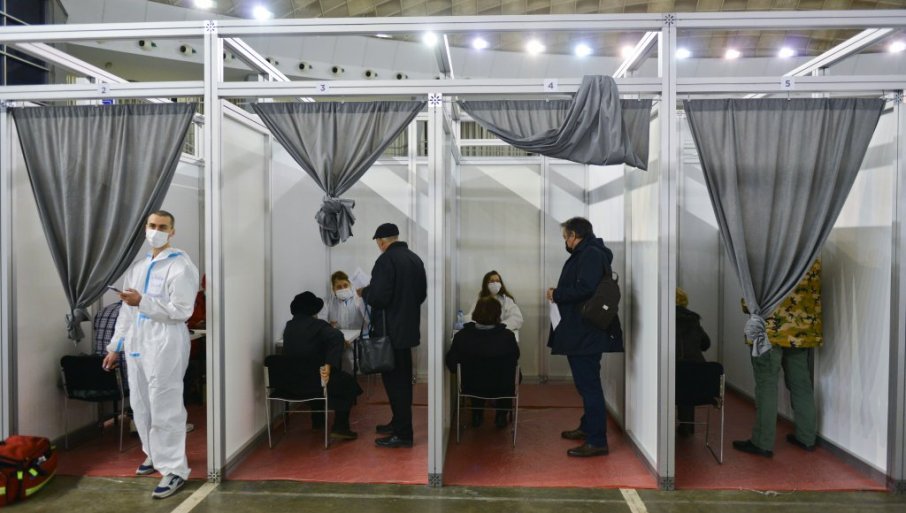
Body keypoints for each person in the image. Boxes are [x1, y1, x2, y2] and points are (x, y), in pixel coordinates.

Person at [102, 210, 199, 500]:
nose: (156, 231)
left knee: (164, 404)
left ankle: (175, 469)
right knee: (141, 403)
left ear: (172, 231)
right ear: (145, 227)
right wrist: (115, 347)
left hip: (165, 342)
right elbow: (126, 312)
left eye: (162, 227)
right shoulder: (138, 267)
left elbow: (182, 311)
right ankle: (153, 454)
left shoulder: (180, 266)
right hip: (137, 343)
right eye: (152, 225)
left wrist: (142, 301)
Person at [546, 216, 622, 458]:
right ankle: (588, 427)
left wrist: (556, 294)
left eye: (565, 237)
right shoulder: (589, 253)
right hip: (584, 331)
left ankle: (597, 441)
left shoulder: (590, 254)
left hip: (585, 332)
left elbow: (585, 288)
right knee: (585, 384)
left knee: (589, 386)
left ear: (573, 235)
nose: (565, 241)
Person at [733, 259, 822, 457]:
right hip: (800, 332)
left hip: (768, 332)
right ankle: (807, 437)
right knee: (801, 384)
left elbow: (749, 302)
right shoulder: (811, 257)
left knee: (766, 385)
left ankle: (762, 442)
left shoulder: (768, 259)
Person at [357, 222, 427, 448]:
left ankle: (403, 434)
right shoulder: (415, 259)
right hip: (407, 331)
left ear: (381, 241)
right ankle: (398, 422)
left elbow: (379, 297)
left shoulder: (385, 260)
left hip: (390, 334)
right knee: (403, 381)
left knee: (395, 383)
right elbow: (421, 295)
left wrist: (365, 292)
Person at [282, 291, 363, 440]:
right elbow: (337, 337)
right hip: (316, 382)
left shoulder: (289, 326)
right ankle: (340, 427)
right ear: (314, 310)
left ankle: (317, 422)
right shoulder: (319, 325)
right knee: (347, 383)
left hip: (290, 383)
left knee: (312, 371)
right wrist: (330, 365)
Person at [446, 297, 520, 429]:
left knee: (477, 375)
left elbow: (451, 364)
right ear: (498, 314)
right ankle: (501, 415)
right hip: (502, 387)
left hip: (470, 387)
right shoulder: (508, 337)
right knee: (506, 374)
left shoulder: (462, 337)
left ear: (475, 313)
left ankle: (477, 414)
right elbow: (515, 357)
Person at [675, 288, 711, 436]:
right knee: (687, 380)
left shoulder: (664, 320)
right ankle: (687, 428)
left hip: (674, 375)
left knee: (679, 376)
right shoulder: (694, 320)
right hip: (698, 378)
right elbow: (706, 344)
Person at [323, 270, 369, 373]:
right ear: (333, 289)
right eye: (339, 287)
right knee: (344, 361)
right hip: (339, 341)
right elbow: (323, 324)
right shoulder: (328, 302)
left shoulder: (359, 300)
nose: (343, 289)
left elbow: (368, 321)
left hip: (359, 340)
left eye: (345, 285)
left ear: (350, 285)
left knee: (353, 361)